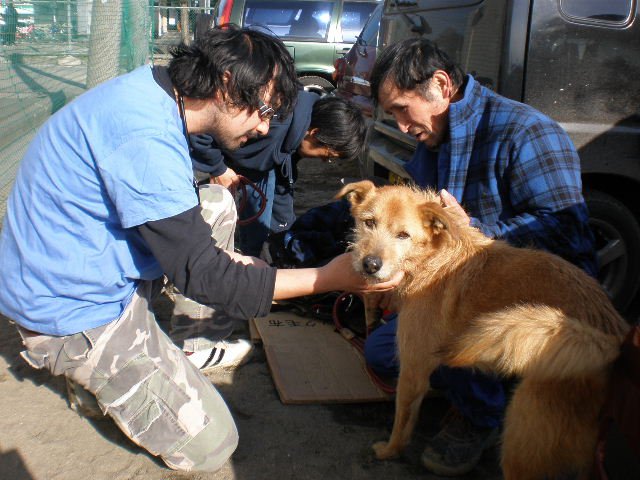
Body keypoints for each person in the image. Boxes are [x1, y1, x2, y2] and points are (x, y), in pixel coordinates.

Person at [0, 26, 402, 473]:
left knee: (214, 202)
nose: (266, 126)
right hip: (72, 310)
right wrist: (328, 278)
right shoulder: (145, 139)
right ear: (226, 82)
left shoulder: (153, 95)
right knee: (213, 445)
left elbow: (196, 252)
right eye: (264, 109)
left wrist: (231, 265)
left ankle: (172, 349)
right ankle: (90, 373)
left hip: (81, 264)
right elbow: (204, 274)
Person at [366, 37, 597, 476]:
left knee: (438, 339)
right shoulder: (434, 137)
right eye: (390, 114)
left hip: (531, 299)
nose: (399, 125)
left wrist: (472, 231)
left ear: (440, 85)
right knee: (385, 352)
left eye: (400, 109)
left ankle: (480, 414)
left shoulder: (527, 132)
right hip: (459, 287)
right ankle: (481, 383)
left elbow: (571, 236)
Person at [189, 91, 367, 257]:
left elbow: (283, 186)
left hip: (256, 167)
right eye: (327, 155)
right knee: (228, 223)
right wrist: (218, 168)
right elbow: (201, 127)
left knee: (269, 226)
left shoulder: (294, 136)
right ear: (315, 134)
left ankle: (260, 260)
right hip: (198, 156)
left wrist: (286, 233)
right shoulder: (271, 123)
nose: (324, 161)